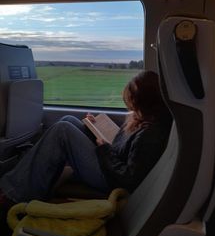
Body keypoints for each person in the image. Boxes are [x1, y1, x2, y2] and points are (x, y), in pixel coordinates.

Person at [0, 70, 172, 205]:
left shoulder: (150, 135)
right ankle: (27, 182)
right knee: (69, 120)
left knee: (63, 130)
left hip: (110, 180)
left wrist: (103, 148)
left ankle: (14, 195)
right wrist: (93, 128)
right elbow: (122, 148)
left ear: (144, 101)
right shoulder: (142, 118)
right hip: (110, 162)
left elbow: (128, 179)